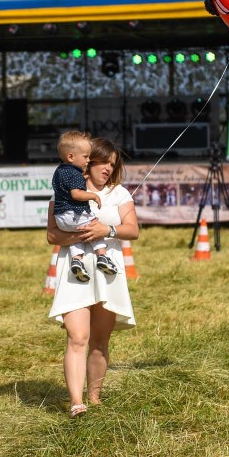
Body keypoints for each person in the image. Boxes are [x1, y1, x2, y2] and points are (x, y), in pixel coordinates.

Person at [47, 137, 139, 419]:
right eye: (104, 162)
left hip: (108, 272)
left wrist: (107, 230)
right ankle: (77, 403)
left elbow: (132, 230)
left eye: (113, 164)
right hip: (76, 273)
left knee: (100, 341)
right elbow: (52, 234)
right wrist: (82, 235)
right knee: (78, 337)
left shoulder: (120, 194)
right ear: (88, 161)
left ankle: (94, 398)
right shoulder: (65, 188)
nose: (109, 169)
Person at [51, 130, 118, 282]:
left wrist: (82, 178)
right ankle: (102, 256)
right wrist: (93, 196)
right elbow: (76, 194)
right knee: (94, 225)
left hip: (61, 219)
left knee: (77, 235)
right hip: (73, 213)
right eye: (86, 157)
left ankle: (76, 260)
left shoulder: (60, 171)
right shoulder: (74, 174)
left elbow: (68, 186)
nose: (88, 160)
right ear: (71, 156)